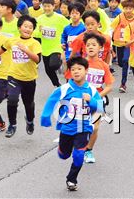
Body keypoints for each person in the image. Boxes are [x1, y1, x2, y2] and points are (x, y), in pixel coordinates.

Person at [40, 56, 104, 191]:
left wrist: (91, 101)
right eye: (73, 69)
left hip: (84, 128)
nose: (76, 72)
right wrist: (45, 116)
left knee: (79, 155)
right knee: (64, 155)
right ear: (70, 72)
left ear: (86, 71)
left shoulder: (92, 90)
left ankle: (71, 179)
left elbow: (100, 108)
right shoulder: (64, 89)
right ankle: (61, 150)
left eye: (79, 69)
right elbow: (52, 101)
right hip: (67, 128)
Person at [64, 32, 113, 164]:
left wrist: (95, 96)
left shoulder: (104, 66)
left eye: (94, 45)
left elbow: (109, 86)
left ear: (100, 48)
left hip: (96, 100)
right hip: (78, 101)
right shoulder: (79, 64)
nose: (90, 47)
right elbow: (69, 81)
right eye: (88, 45)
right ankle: (77, 145)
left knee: (95, 127)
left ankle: (89, 150)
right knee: (77, 126)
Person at [0, 15, 42, 138]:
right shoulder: (12, 40)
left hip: (29, 78)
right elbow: (2, 48)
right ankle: (12, 125)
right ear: (19, 27)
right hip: (13, 76)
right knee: (12, 99)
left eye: (30, 27)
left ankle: (30, 121)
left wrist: (26, 50)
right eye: (25, 26)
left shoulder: (34, 43)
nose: (27, 29)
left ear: (33, 30)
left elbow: (37, 59)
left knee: (28, 104)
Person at [35, 0, 70, 87]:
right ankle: (57, 85)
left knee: (53, 65)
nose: (47, 8)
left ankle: (60, 62)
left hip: (57, 47)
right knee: (48, 70)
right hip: (45, 48)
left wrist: (66, 40)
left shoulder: (60, 18)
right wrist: (39, 31)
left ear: (54, 6)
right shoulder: (40, 19)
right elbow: (35, 34)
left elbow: (69, 27)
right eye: (45, 6)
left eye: (49, 6)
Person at [110, 0, 134, 93]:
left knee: (125, 61)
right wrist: (109, 39)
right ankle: (129, 66)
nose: (128, 10)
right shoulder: (120, 17)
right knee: (121, 63)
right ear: (123, 8)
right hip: (119, 43)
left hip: (129, 44)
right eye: (126, 8)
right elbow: (111, 28)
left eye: (130, 8)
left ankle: (123, 83)